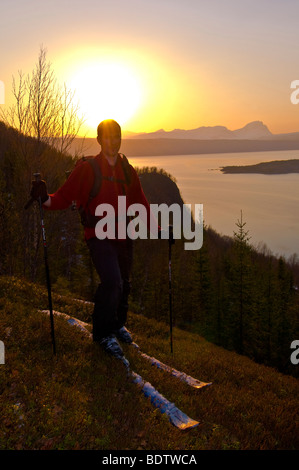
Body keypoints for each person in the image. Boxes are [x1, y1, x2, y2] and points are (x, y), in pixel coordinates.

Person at [30, 119, 159, 359]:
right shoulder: (88, 169)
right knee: (112, 282)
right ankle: (102, 334)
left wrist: (158, 228)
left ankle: (117, 324)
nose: (112, 142)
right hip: (98, 235)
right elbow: (63, 197)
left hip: (124, 233)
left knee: (125, 285)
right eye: (108, 137)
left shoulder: (127, 170)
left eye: (116, 137)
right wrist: (43, 198)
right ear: (99, 140)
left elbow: (140, 202)